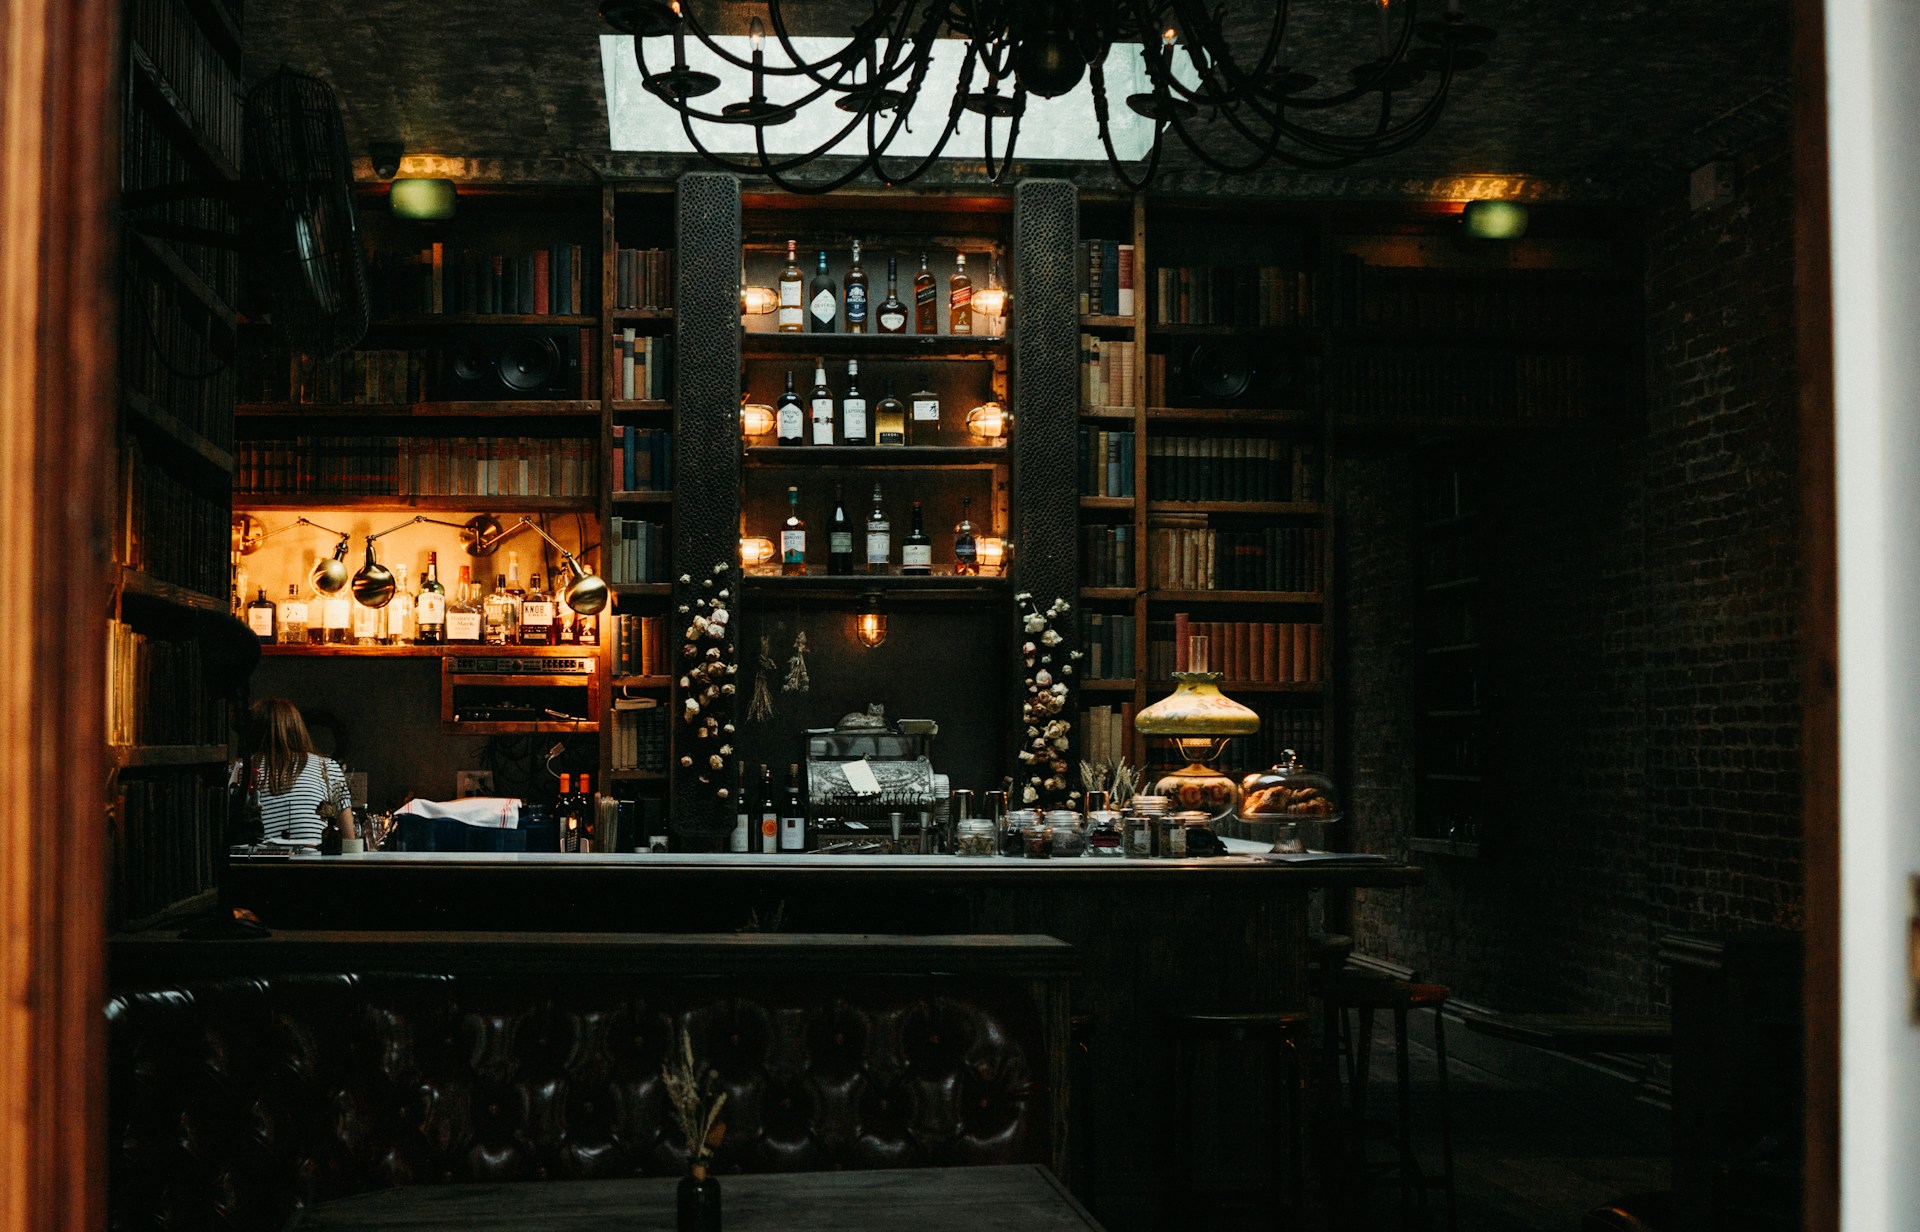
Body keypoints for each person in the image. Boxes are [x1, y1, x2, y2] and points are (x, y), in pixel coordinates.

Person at [238, 698, 355, 849]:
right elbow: (350, 842)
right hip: (317, 868)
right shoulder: (329, 768)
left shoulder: (241, 770)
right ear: (299, 728)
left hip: (259, 868)